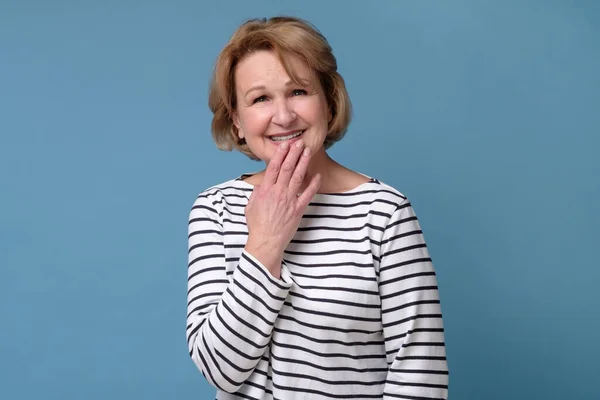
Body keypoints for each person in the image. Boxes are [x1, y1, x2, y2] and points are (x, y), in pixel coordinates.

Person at [186, 16, 448, 400]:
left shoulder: (384, 212)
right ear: (237, 121)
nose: (284, 116)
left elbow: (420, 377)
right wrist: (265, 242)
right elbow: (219, 370)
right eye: (260, 98)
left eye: (298, 92)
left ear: (328, 102)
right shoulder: (215, 209)